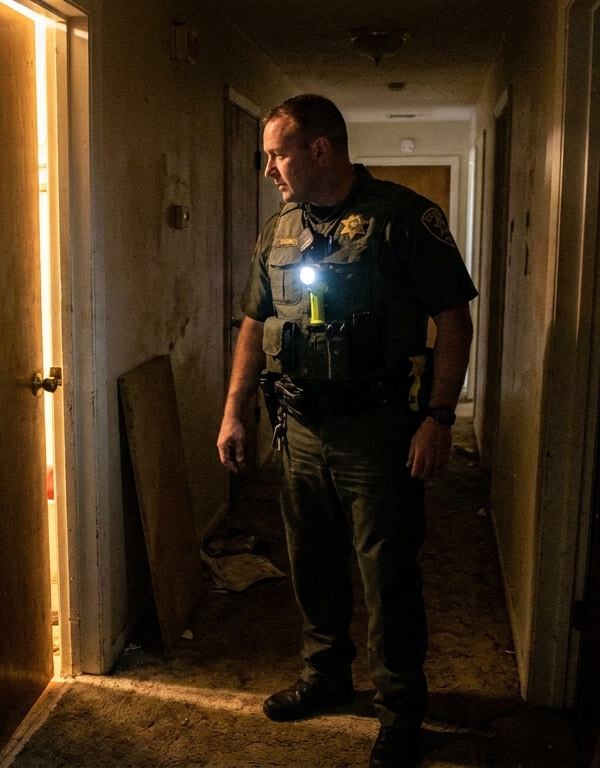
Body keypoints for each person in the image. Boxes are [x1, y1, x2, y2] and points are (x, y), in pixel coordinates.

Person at [217, 94, 476, 768]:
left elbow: (454, 321)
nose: (269, 169)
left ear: (319, 149)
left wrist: (439, 418)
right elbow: (254, 324)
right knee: (313, 561)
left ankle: (400, 709)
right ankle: (325, 675)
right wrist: (233, 409)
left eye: (277, 154)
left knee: (387, 574)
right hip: (300, 425)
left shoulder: (402, 218)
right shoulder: (278, 230)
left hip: (379, 430)